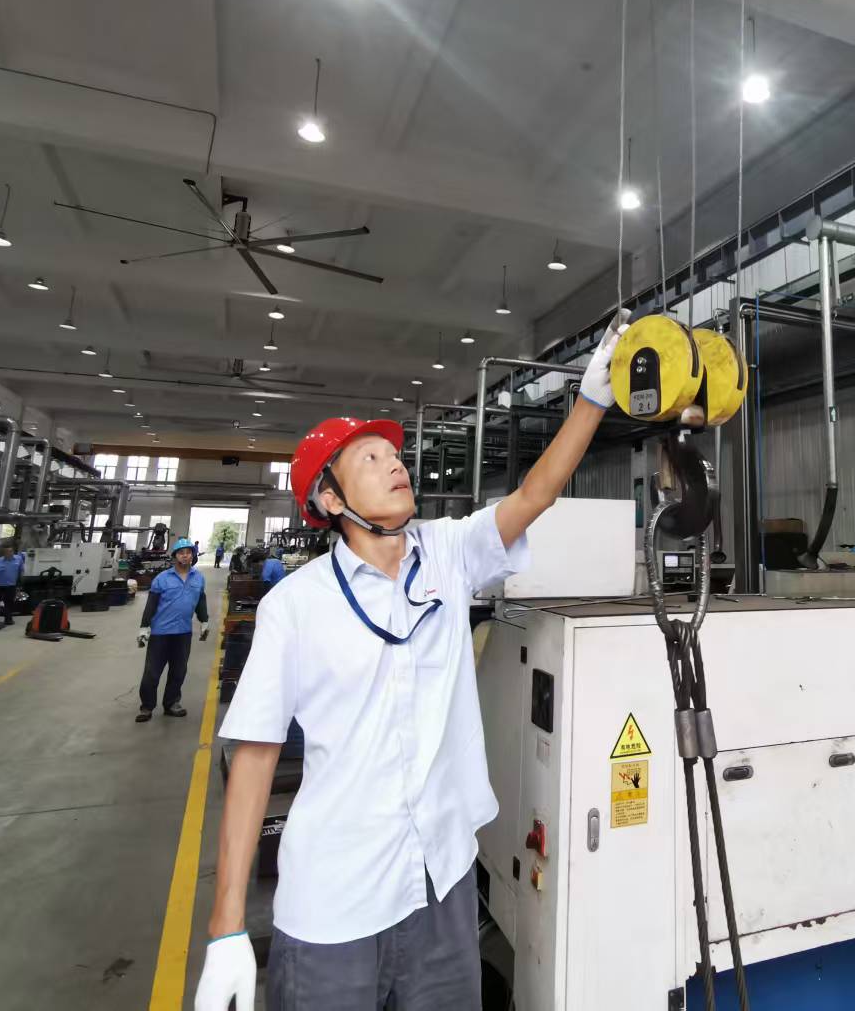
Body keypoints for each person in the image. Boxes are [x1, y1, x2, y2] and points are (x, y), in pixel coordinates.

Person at [194, 321, 626, 1011]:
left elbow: (534, 497)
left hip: (441, 883)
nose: (395, 463)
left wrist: (592, 401)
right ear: (330, 500)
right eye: (369, 458)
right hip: (335, 902)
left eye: (394, 454)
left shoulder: (447, 554)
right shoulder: (294, 607)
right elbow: (254, 759)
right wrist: (226, 928)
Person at [136, 538, 209, 723]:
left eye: (188, 552)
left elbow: (200, 601)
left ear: (193, 555)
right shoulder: (162, 578)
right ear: (175, 556)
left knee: (178, 671)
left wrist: (204, 621)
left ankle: (171, 704)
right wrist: (144, 626)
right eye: (181, 553)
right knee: (152, 672)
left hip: (183, 633)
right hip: (161, 633)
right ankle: (147, 707)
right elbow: (151, 604)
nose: (185, 556)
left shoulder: (198, 578)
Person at [0, 539, 25, 627]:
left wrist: (20, 582)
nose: (8, 553)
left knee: (9, 603)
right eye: (6, 552)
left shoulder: (19, 559)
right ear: (4, 553)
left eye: (10, 551)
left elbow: (21, 571)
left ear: (12, 551)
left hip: (11, 586)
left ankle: (8, 619)